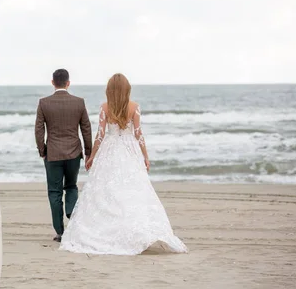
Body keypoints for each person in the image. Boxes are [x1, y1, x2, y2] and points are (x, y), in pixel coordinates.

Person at [60, 73, 188, 255]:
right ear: (127, 89)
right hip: (129, 151)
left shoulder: (105, 107)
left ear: (109, 90)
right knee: (132, 190)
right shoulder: (134, 107)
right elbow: (138, 134)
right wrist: (145, 156)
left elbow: (100, 135)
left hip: (110, 151)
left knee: (107, 191)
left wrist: (92, 156)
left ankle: (109, 230)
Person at [35, 69, 93, 242]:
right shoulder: (79, 103)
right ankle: (71, 211)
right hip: (74, 152)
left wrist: (42, 150)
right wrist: (88, 151)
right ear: (68, 83)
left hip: (53, 154)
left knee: (54, 191)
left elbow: (39, 129)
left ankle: (60, 232)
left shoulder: (44, 103)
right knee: (71, 186)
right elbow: (86, 128)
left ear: (53, 82)